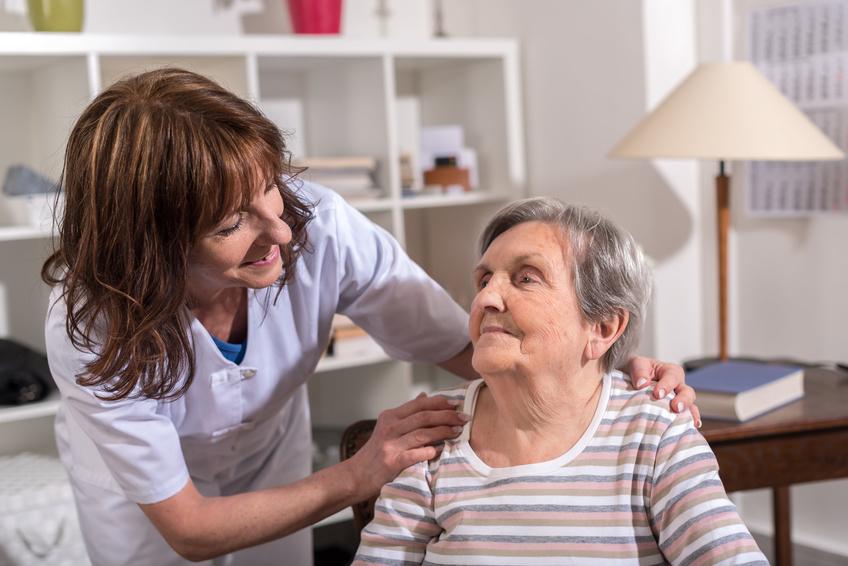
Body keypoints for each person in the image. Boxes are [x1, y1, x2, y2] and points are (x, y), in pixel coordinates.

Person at [42, 68, 697, 566]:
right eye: (231, 223)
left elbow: (467, 347)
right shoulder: (91, 323)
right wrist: (358, 475)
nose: (283, 233)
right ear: (155, 245)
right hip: (146, 497)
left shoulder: (321, 224)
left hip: (269, 441)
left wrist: (604, 369)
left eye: (270, 185)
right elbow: (187, 528)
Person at [354, 198, 766, 565]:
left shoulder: (655, 435)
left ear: (602, 327)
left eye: (525, 278)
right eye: (484, 280)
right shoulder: (432, 430)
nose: (485, 299)